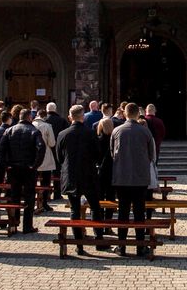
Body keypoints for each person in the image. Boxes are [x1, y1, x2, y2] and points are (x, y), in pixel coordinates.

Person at [57, 104, 106, 253]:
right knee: (96, 208)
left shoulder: (63, 134)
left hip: (71, 175)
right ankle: (99, 240)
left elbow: (59, 157)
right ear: (82, 116)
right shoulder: (90, 133)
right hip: (88, 175)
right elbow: (99, 154)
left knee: (74, 210)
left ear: (70, 117)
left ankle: (79, 245)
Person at [111, 102, 156, 255]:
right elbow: (151, 155)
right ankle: (140, 245)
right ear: (138, 114)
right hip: (140, 177)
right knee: (139, 212)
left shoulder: (116, 131)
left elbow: (112, 153)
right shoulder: (145, 132)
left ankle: (122, 245)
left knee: (122, 211)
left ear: (124, 113)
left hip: (122, 177)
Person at [0, 107, 45, 233]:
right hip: (28, 169)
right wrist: (35, 165)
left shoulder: (9, 130)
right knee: (29, 197)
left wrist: (5, 164)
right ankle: (27, 225)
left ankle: (14, 222)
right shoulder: (34, 131)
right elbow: (41, 148)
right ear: (30, 118)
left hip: (13, 168)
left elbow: (1, 149)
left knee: (15, 195)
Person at [32, 108, 58, 206]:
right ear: (45, 117)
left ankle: (33, 201)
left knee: (33, 180)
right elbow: (52, 143)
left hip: (33, 156)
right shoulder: (47, 126)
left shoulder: (31, 125)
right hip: (45, 155)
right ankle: (44, 203)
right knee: (46, 181)